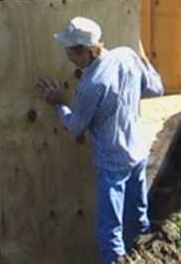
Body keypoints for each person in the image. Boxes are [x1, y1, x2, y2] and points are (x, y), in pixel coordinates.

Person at [36, 16, 164, 264]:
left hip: (113, 164)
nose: (68, 58)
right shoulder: (126, 55)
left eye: (71, 53)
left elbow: (75, 129)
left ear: (86, 51)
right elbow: (155, 89)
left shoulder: (92, 84)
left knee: (109, 233)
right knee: (137, 219)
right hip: (137, 153)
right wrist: (144, 61)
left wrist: (58, 104)